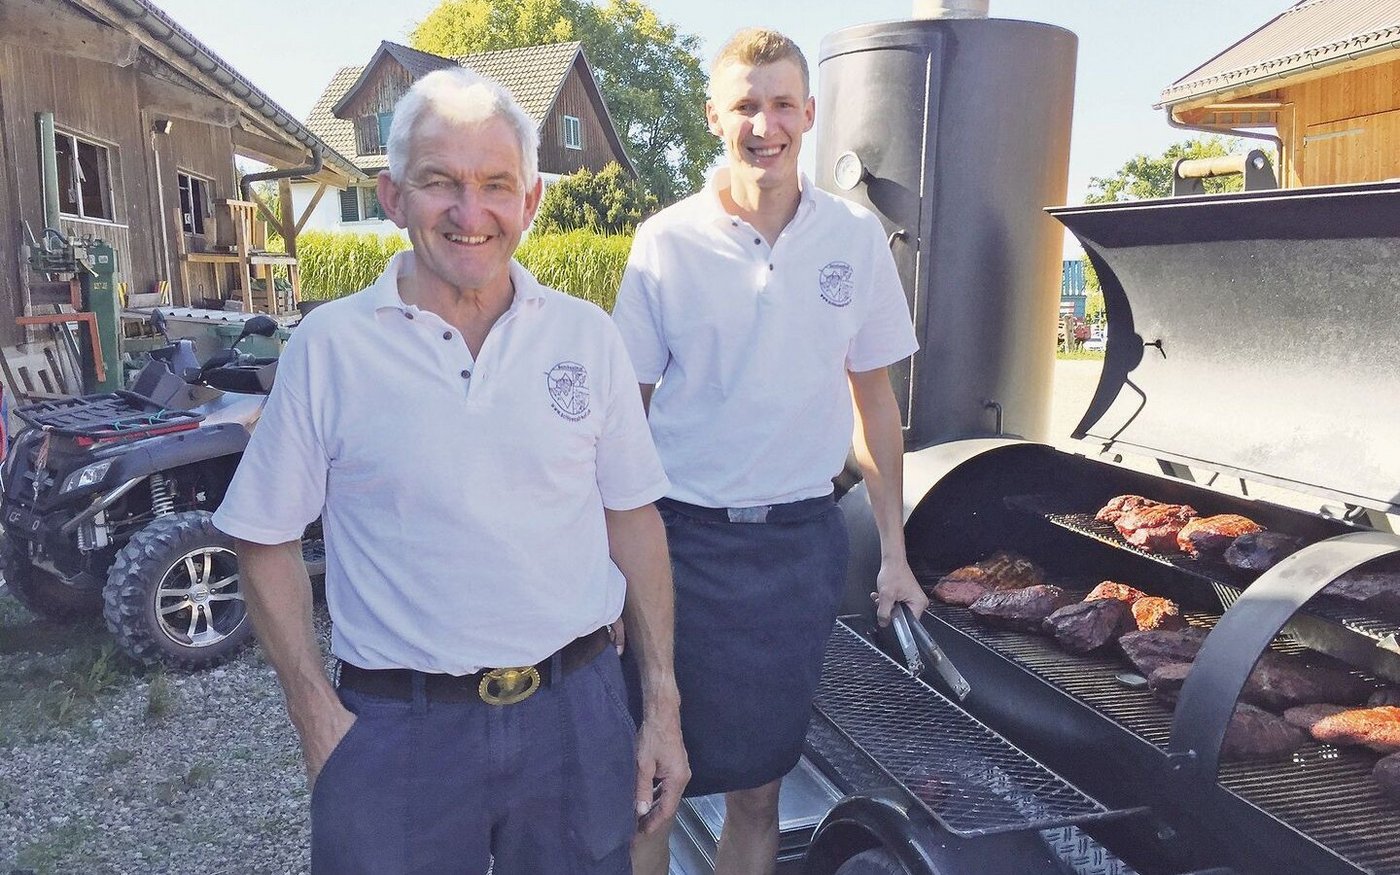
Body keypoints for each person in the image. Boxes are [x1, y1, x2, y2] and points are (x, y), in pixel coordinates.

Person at [213, 67, 688, 874]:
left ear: (531, 201)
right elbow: (264, 538)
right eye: (441, 183)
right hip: (401, 728)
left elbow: (633, 521)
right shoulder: (330, 348)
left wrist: (661, 703)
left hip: (575, 716)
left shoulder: (588, 339)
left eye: (497, 185)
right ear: (393, 196)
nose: (472, 214)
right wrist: (315, 714)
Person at [612, 28, 930, 875]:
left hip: (797, 548)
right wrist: (607, 569)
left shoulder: (856, 240)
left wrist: (895, 552)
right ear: (715, 115)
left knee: (761, 786)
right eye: (747, 105)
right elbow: (624, 422)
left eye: (783, 103)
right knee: (651, 780)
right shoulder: (665, 242)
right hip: (681, 545)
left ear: (811, 114)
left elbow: (874, 400)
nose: (766, 124)